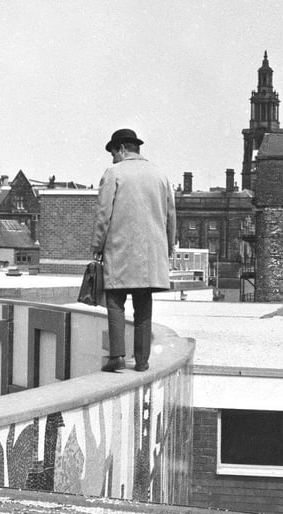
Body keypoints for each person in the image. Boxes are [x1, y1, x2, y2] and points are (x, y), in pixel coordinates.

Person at [90, 128, 176, 372]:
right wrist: (168, 248)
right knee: (144, 305)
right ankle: (142, 361)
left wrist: (96, 246)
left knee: (115, 301)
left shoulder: (114, 173)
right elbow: (171, 216)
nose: (113, 158)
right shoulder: (160, 175)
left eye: (113, 153)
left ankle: (117, 356)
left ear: (121, 149)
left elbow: (103, 215)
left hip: (120, 251)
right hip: (151, 256)